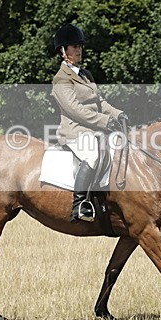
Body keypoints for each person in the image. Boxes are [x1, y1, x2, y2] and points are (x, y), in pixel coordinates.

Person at [50, 23, 129, 222]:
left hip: (94, 128)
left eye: (79, 46)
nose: (78, 50)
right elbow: (74, 110)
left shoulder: (85, 75)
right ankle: (80, 206)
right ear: (62, 51)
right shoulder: (61, 80)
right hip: (76, 131)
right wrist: (105, 121)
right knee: (93, 156)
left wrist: (117, 114)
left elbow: (99, 102)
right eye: (73, 47)